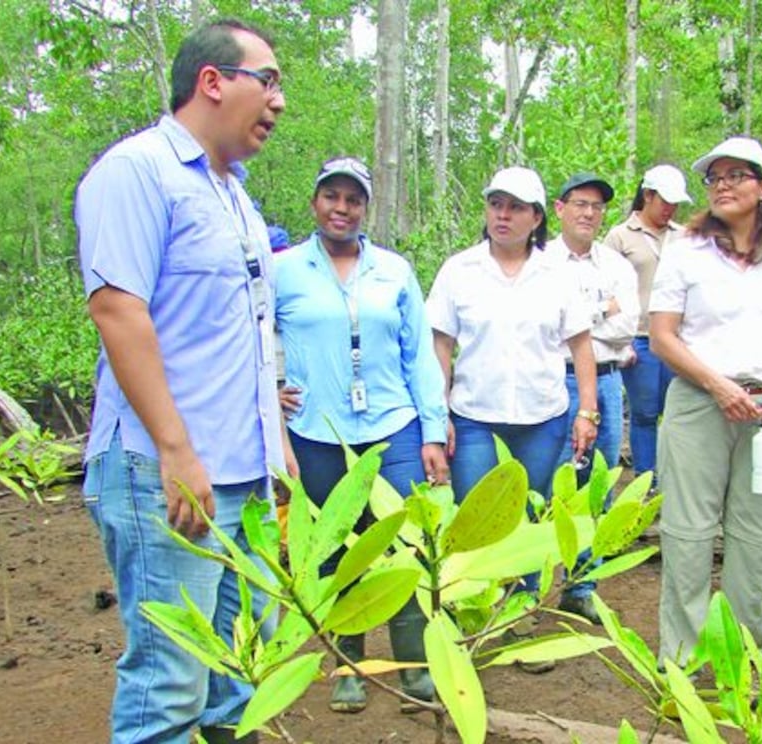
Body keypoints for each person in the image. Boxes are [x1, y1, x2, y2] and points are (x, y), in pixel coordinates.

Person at [75, 19, 292, 744]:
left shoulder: (235, 195)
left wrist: (276, 451)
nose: (279, 101)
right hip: (164, 471)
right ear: (212, 81)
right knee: (170, 688)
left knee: (239, 681)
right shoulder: (136, 172)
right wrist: (176, 450)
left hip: (241, 477)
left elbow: (248, 337)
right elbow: (117, 308)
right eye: (269, 79)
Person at [275, 156, 447, 712]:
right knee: (332, 552)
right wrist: (267, 393)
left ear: (366, 208)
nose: (341, 209)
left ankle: (412, 666)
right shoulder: (284, 270)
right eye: (332, 197)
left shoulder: (394, 271)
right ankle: (346, 666)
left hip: (392, 428)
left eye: (353, 199)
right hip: (316, 432)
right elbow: (248, 338)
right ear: (315, 203)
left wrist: (433, 430)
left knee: (401, 542)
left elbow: (420, 355)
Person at [649, 137, 762, 665]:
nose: (724, 185)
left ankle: (743, 660)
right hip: (700, 404)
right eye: (715, 177)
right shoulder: (686, 248)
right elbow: (662, 336)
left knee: (758, 539)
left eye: (737, 175)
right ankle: (679, 662)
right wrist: (717, 385)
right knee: (688, 534)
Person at [426, 167, 600, 671]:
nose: (503, 215)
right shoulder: (459, 270)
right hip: (476, 416)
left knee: (530, 514)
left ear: (537, 217)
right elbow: (440, 344)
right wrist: (440, 414)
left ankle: (521, 613)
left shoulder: (557, 275)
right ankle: (473, 610)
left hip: (542, 417)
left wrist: (587, 409)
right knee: (475, 515)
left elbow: (581, 346)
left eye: (515, 207)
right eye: (496, 204)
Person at [547, 172, 639, 623]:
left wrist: (576, 321)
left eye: (597, 206)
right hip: (551, 382)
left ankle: (582, 586)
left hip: (606, 382)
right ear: (559, 209)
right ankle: (531, 586)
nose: (588, 213)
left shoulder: (617, 265)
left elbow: (631, 325)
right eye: (579, 204)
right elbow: (544, 326)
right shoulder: (541, 262)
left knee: (596, 486)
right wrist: (603, 310)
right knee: (549, 485)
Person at [603, 164, 693, 486]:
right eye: (664, 200)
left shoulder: (684, 237)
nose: (670, 208)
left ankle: (674, 478)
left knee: (676, 411)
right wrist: (620, 341)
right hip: (639, 338)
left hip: (677, 338)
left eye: (675, 203)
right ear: (648, 195)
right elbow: (606, 286)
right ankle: (646, 480)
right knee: (643, 412)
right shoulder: (620, 236)